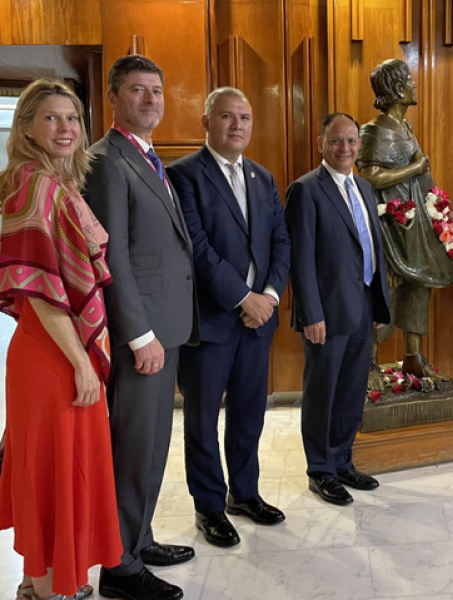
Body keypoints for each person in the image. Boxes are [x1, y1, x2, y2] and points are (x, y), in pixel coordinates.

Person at [0, 79, 122, 599]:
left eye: (71, 118)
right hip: (53, 356)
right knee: (58, 471)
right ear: (27, 126)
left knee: (56, 470)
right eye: (51, 118)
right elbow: (43, 292)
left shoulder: (51, 181)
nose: (65, 128)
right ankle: (52, 588)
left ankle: (37, 584)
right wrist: (79, 362)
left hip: (54, 351)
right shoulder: (36, 184)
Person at [83, 55, 198, 600]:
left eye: (157, 89)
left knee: (154, 446)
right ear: (114, 97)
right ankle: (119, 567)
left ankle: (140, 535)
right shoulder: (106, 161)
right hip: (142, 336)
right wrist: (139, 335)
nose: (151, 99)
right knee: (132, 448)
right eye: (138, 90)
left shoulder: (150, 159)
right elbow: (113, 259)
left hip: (168, 327)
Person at [168, 87, 291, 547]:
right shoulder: (183, 176)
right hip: (214, 321)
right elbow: (197, 249)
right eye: (226, 116)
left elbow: (282, 241)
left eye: (245, 116)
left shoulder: (263, 177)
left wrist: (271, 296)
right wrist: (244, 298)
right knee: (202, 419)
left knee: (248, 413)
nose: (237, 125)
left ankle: (245, 493)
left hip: (260, 321)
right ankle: (210, 506)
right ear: (206, 122)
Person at [285, 113, 390, 506]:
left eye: (350, 141)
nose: (344, 148)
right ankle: (320, 469)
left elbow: (372, 250)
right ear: (320, 143)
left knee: (350, 390)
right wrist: (310, 313)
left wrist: (378, 302)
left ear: (359, 146)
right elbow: (302, 258)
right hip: (326, 312)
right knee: (322, 391)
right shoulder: (306, 190)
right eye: (336, 141)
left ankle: (343, 460)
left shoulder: (363, 187)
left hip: (362, 305)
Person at [357, 59, 453, 383]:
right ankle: (370, 363)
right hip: (388, 229)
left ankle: (413, 357)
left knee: (418, 287)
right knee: (387, 291)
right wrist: (414, 169)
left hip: (415, 228)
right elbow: (369, 177)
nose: (415, 85)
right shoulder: (374, 129)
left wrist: (440, 211)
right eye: (410, 81)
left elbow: (423, 176)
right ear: (399, 89)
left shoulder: (407, 128)